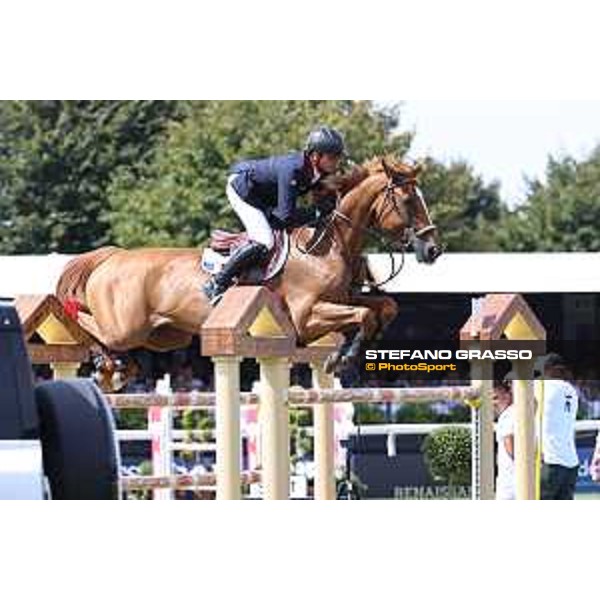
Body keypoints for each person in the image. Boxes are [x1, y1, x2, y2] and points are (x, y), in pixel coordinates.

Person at [202, 126, 345, 304]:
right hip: (243, 188)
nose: (336, 162)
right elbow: (286, 217)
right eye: (332, 157)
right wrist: (316, 212)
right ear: (315, 156)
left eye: (338, 157)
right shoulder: (292, 169)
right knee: (265, 240)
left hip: (264, 196)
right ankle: (217, 283)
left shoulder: (319, 171)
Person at [537, 353, 580, 500]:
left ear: (550, 369)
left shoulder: (542, 386)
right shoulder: (572, 390)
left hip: (550, 461)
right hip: (571, 462)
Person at [493, 381, 515, 500]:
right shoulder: (515, 411)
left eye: (496, 398)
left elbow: (509, 441)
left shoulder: (508, 415)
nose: (493, 403)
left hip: (510, 484)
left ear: (507, 396)